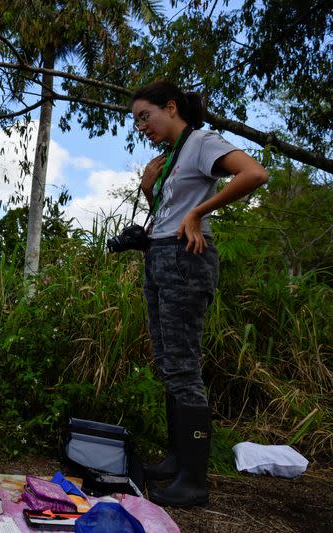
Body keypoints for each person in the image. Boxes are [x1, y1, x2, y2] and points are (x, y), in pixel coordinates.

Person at [130, 81, 269, 507]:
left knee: (184, 367)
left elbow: (255, 172)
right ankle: (176, 459)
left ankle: (193, 480)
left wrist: (198, 212)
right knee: (168, 364)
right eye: (136, 120)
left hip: (185, 260)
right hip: (161, 256)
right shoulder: (172, 156)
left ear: (170, 107)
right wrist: (150, 189)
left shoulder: (202, 142)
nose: (141, 126)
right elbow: (168, 215)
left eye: (144, 116)